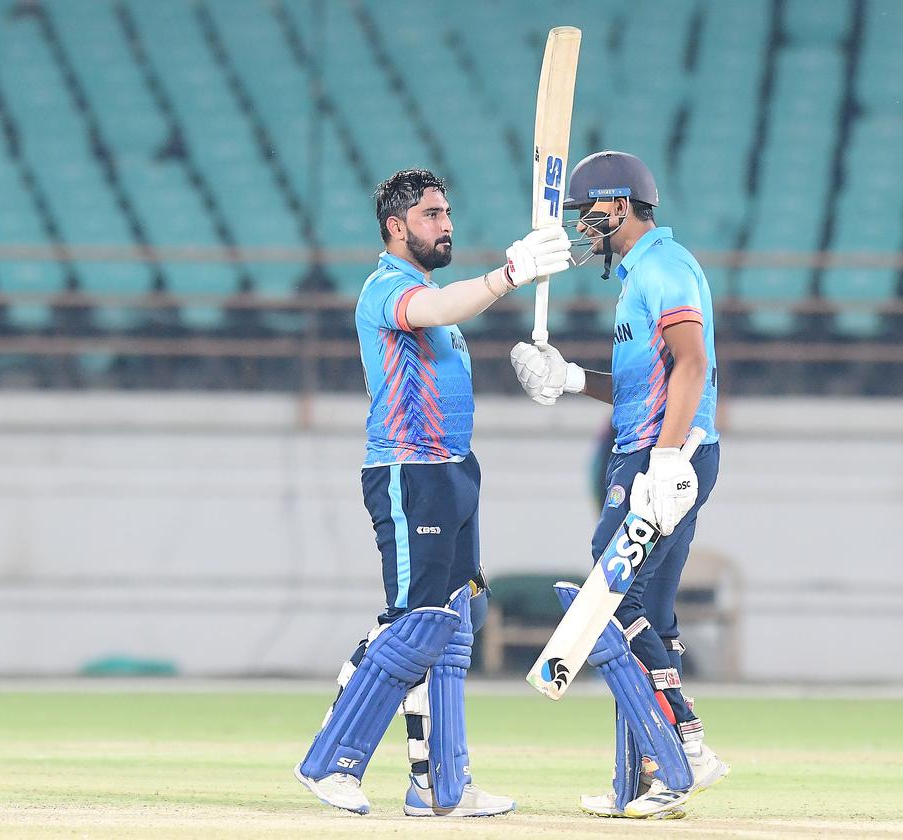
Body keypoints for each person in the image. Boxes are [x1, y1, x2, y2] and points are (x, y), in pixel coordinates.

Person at [294, 168, 570, 817]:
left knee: (455, 627)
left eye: (446, 213)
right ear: (396, 227)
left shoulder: (427, 288)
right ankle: (330, 761)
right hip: (407, 473)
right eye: (431, 214)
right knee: (415, 624)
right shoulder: (388, 290)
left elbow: (445, 321)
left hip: (454, 471)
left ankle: (442, 787)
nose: (446, 224)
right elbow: (440, 310)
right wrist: (510, 274)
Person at [510, 150, 728, 819]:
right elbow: (643, 386)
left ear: (622, 205)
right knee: (650, 616)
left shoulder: (664, 267)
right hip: (656, 448)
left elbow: (692, 365)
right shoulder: (638, 276)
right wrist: (573, 380)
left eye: (590, 211)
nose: (584, 224)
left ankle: (684, 745)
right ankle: (644, 781)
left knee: (610, 594)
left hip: (664, 456)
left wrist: (666, 461)